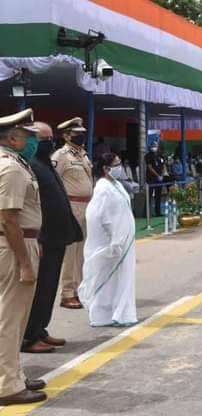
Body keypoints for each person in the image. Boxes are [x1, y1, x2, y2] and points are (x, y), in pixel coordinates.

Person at [0, 109, 48, 406]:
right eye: (29, 136)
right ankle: (7, 385)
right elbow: (9, 219)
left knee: (10, 317)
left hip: (14, 243)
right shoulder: (12, 169)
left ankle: (12, 374)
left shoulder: (12, 164)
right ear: (14, 138)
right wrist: (26, 263)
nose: (34, 141)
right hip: (12, 246)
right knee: (11, 319)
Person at [23, 122, 83, 354]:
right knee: (39, 290)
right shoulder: (30, 165)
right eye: (44, 139)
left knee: (48, 288)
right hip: (43, 239)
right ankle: (29, 336)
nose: (49, 143)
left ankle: (40, 330)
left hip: (56, 237)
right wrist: (38, 239)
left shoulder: (44, 163)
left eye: (51, 139)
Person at [78, 153, 137, 327]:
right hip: (110, 242)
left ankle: (120, 313)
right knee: (105, 277)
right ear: (106, 168)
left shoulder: (115, 184)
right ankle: (102, 314)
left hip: (123, 241)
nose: (120, 167)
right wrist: (114, 239)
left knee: (122, 278)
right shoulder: (102, 188)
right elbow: (97, 216)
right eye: (117, 164)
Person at [53, 117, 93, 310]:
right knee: (72, 253)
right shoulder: (60, 156)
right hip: (72, 207)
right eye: (77, 134)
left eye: (82, 133)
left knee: (84, 251)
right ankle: (68, 292)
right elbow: (54, 183)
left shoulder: (83, 155)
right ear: (67, 135)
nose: (81, 136)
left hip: (87, 207)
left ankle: (81, 289)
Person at [144, 142, 165, 217]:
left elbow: (163, 165)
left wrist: (162, 174)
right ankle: (147, 213)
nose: (154, 147)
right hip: (151, 177)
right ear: (150, 147)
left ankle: (158, 212)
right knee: (149, 195)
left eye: (155, 146)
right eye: (153, 146)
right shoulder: (148, 156)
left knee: (158, 195)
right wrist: (157, 175)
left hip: (159, 178)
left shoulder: (160, 155)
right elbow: (149, 167)